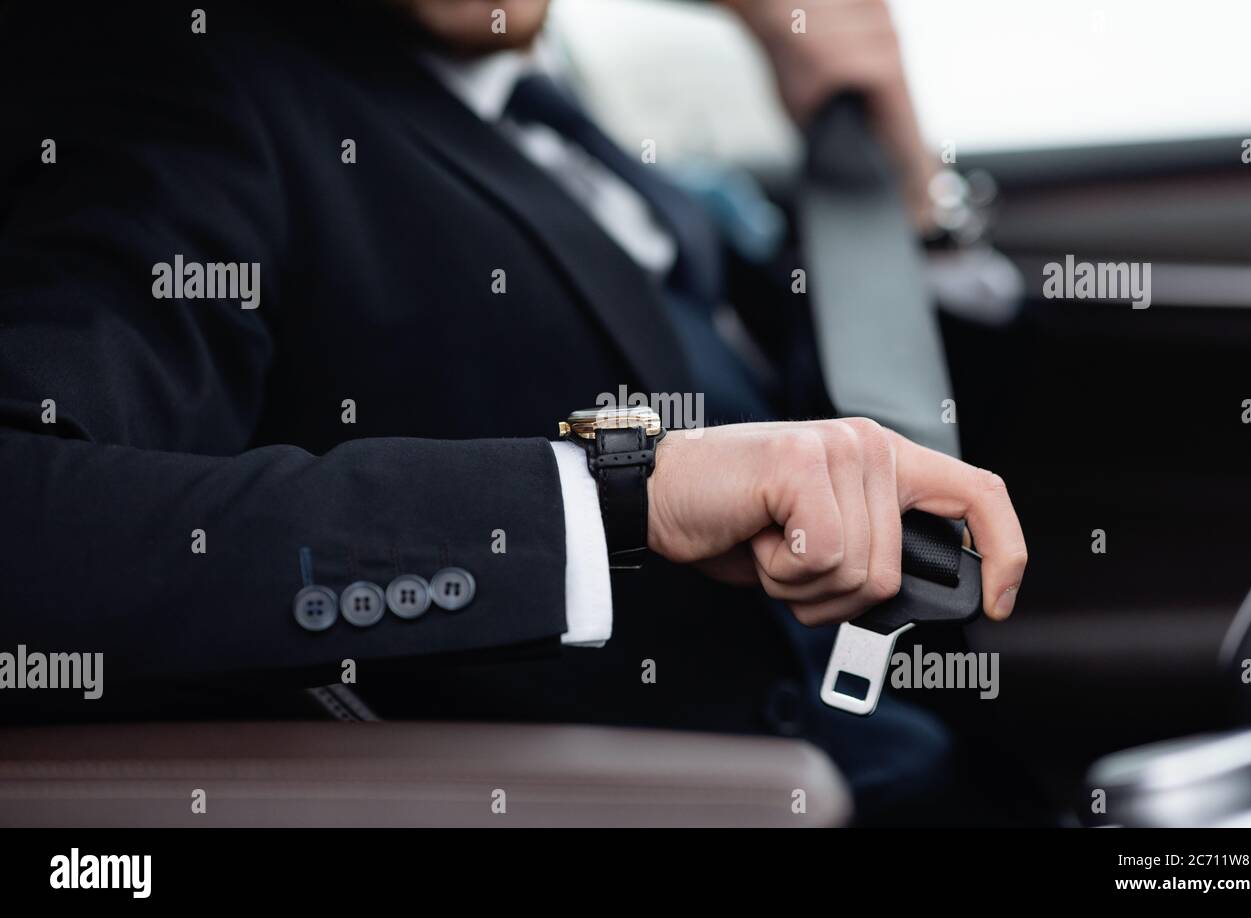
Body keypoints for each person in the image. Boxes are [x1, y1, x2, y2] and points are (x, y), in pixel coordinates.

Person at [0, 0, 1026, 823]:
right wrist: (617, 497)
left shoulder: (551, 91)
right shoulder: (186, 92)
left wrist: (893, 179)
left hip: (936, 759)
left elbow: (852, 399)